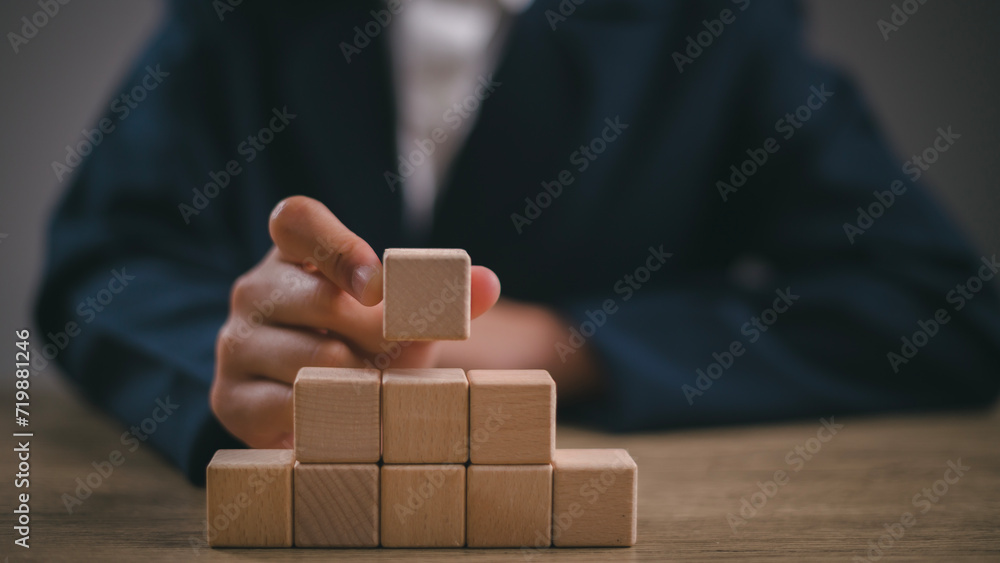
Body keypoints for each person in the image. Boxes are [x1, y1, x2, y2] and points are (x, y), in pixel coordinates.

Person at [36, 0, 1000, 485]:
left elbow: (943, 308)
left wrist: (550, 344)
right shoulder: (236, 17)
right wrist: (240, 358)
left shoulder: (722, 25)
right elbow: (101, 262)